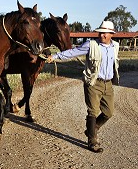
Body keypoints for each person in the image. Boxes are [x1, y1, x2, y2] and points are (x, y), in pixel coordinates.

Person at [47, 21, 119, 153]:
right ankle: (92, 141)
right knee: (92, 111)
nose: (102, 35)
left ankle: (92, 128)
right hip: (93, 82)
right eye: (100, 32)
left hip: (108, 83)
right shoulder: (91, 44)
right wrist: (55, 56)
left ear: (111, 34)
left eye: (105, 33)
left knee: (109, 112)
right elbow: (73, 52)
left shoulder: (116, 46)